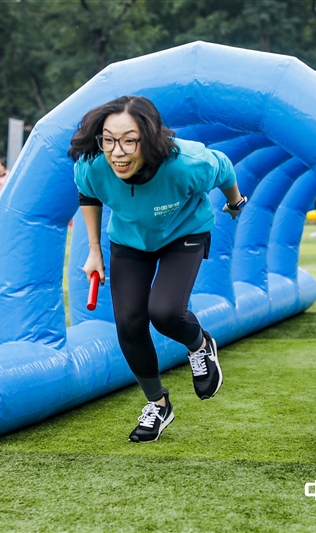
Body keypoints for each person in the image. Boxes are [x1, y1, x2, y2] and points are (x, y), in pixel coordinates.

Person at [70, 95, 247, 443]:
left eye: (128, 140)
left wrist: (234, 201)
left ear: (149, 137)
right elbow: (87, 195)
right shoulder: (93, 164)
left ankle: (199, 346)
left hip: (185, 232)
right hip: (130, 240)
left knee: (164, 312)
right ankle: (158, 403)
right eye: (108, 139)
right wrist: (94, 250)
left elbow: (224, 168)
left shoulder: (188, 163)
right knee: (129, 323)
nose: (117, 152)